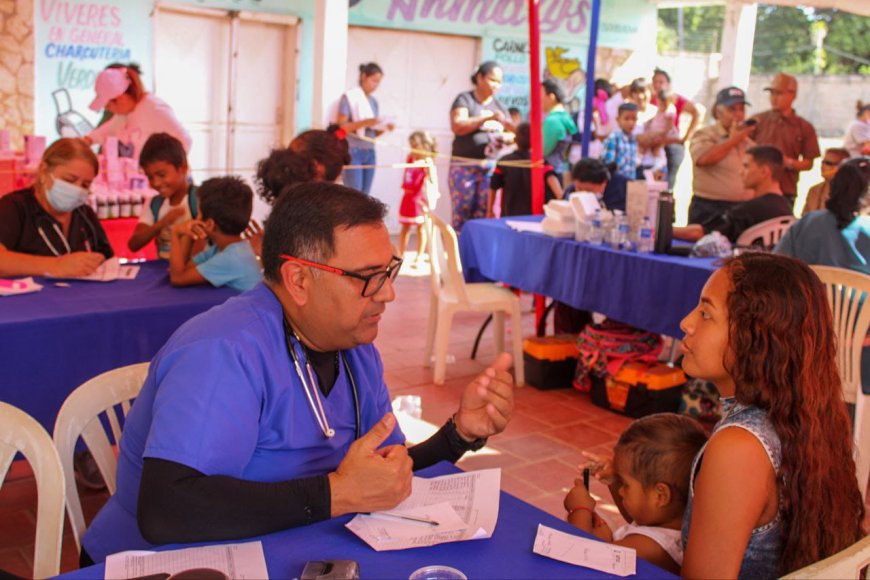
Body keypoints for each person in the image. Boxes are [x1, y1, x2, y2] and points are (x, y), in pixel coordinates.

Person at [81, 182, 516, 563]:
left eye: (388, 271)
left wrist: (458, 434)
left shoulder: (352, 348)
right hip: (162, 562)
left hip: (281, 549)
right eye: (367, 277)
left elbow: (379, 476)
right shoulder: (224, 352)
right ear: (299, 280)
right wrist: (337, 494)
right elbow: (167, 510)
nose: (388, 293)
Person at [679, 253, 864, 578]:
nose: (687, 322)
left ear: (755, 338)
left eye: (706, 313)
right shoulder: (805, 417)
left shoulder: (740, 447)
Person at [564, 414, 708, 574]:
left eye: (625, 484)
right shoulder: (668, 522)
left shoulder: (650, 547)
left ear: (660, 496)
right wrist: (615, 479)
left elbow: (581, 557)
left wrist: (579, 511)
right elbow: (637, 515)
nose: (620, 491)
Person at [0, 137, 112, 277]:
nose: (76, 189)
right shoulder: (14, 207)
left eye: (85, 185)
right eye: (69, 180)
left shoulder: (84, 214)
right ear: (44, 170)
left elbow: (106, 258)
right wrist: (56, 265)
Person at [673, 145, 793, 244]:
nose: (740, 172)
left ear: (764, 171)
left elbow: (701, 234)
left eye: (746, 166)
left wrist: (664, 230)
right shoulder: (786, 208)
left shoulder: (750, 210)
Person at [448, 61, 515, 230]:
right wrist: (486, 118)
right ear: (480, 78)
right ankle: (458, 251)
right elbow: (458, 126)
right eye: (493, 80)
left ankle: (475, 253)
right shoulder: (465, 100)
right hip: (464, 166)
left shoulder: (500, 107)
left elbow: (514, 133)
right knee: (462, 210)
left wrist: (506, 138)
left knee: (484, 213)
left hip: (489, 169)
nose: (496, 86)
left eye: (499, 82)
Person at [168, 176, 262, 292]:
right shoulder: (226, 249)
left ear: (209, 224)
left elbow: (178, 278)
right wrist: (190, 234)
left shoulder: (231, 258)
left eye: (198, 214)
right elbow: (185, 267)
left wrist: (175, 233)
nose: (195, 219)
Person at [776, 157, 870, 273]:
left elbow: (778, 263)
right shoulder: (865, 228)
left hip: (809, 289)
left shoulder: (806, 223)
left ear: (833, 186)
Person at [85, 65, 191, 158]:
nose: (107, 109)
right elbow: (108, 129)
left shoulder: (155, 109)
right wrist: (88, 140)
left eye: (108, 105)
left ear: (121, 98)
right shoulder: (125, 114)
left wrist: (162, 169)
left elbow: (185, 140)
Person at [687, 87, 755, 225]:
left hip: (742, 209)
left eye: (741, 109)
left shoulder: (746, 140)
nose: (738, 114)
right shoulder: (705, 134)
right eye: (732, 109)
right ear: (718, 112)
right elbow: (703, 159)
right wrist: (732, 141)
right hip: (710, 210)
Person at [751, 73, 820, 205]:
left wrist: (788, 163)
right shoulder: (758, 120)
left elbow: (809, 163)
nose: (774, 98)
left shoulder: (804, 127)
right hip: (755, 190)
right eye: (772, 93)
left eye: (779, 94)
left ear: (793, 95)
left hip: (785, 190)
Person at [129, 133, 198, 259]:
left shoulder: (199, 199)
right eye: (150, 177)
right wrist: (162, 223)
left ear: (183, 168)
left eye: (161, 175)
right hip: (163, 271)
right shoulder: (154, 204)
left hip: (191, 273)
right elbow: (134, 244)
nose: (156, 183)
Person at [337, 63, 393, 194]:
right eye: (373, 81)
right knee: (354, 194)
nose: (376, 85)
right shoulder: (349, 97)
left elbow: (371, 133)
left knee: (365, 195)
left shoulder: (373, 102)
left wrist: (385, 128)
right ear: (363, 77)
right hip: (353, 151)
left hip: (369, 151)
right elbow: (342, 128)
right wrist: (366, 122)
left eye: (378, 82)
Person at [486, 122, 562, 218]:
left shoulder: (504, 162)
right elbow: (555, 185)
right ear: (535, 140)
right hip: (535, 217)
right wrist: (562, 200)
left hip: (510, 216)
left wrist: (490, 211)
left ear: (515, 140)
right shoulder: (540, 162)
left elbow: (493, 187)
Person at [650, 68, 701, 190]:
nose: (658, 85)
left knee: (668, 183)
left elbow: (696, 112)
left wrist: (686, 137)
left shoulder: (674, 99)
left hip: (671, 145)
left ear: (668, 84)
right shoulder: (650, 99)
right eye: (655, 81)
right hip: (654, 144)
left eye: (661, 82)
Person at [398, 131, 437, 265]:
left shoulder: (427, 162)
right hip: (408, 196)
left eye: (415, 145)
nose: (412, 148)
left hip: (419, 198)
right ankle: (401, 254)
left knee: (421, 227)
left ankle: (419, 256)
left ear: (424, 145)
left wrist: (428, 166)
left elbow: (432, 180)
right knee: (405, 227)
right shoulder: (410, 158)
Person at [639, 90, 680, 181]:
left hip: (662, 134)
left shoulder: (669, 112)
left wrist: (660, 134)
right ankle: (640, 158)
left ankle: (658, 163)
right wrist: (649, 123)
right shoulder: (659, 110)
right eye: (660, 104)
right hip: (655, 132)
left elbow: (668, 128)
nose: (662, 106)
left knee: (656, 147)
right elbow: (655, 118)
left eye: (664, 105)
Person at [541, 79, 578, 177]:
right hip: (557, 171)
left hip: (548, 175)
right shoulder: (565, 117)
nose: (537, 98)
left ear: (551, 97)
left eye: (540, 94)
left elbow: (542, 151)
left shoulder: (552, 121)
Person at [800, 148, 850, 215]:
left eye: (828, 163)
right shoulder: (814, 190)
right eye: (823, 162)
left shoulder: (851, 192)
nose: (822, 166)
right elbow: (804, 218)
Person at [600, 102, 639, 180]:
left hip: (630, 182)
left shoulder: (633, 139)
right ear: (618, 120)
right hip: (616, 182)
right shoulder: (614, 138)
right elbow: (608, 164)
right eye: (626, 119)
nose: (631, 123)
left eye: (634, 119)